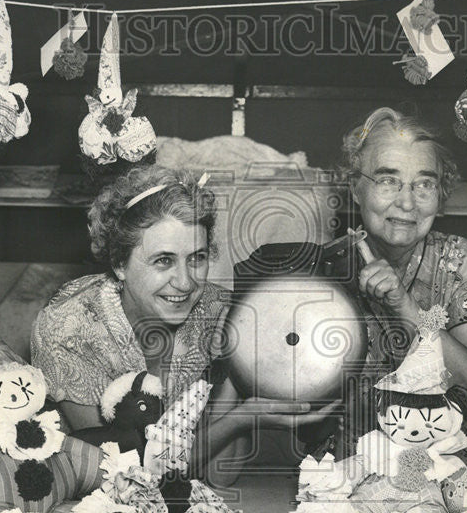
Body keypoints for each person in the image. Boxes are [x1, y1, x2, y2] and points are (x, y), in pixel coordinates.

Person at [30, 165, 329, 469]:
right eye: (164, 261)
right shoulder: (67, 329)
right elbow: (124, 470)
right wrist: (239, 420)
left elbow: (222, 478)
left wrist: (232, 369)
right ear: (120, 263)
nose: (185, 283)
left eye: (197, 258)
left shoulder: (222, 312)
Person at [340, 106, 467, 461]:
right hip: (342, 464)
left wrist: (406, 308)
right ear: (355, 188)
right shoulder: (324, 269)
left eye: (424, 184)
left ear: (441, 194)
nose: (408, 201)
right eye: (387, 180)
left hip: (445, 463)